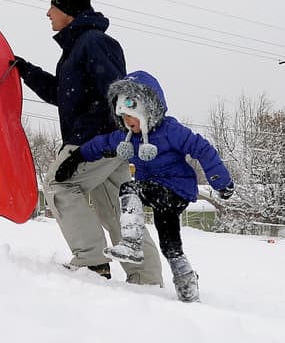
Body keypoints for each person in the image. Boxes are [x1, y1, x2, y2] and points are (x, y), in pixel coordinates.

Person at [12, 0, 163, 286]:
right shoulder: (79, 46)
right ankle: (146, 279)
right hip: (107, 141)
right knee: (117, 207)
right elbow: (64, 94)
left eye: (52, 7)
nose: (48, 13)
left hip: (95, 140)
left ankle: (92, 262)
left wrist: (95, 146)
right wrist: (26, 71)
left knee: (60, 185)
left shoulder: (94, 42)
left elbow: (113, 92)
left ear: (67, 11)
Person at [61, 71, 232, 302]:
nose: (129, 125)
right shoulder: (128, 138)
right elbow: (101, 144)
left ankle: (132, 243)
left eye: (133, 119)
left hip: (176, 188)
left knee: (128, 189)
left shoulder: (171, 130)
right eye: (124, 120)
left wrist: (221, 181)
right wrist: (75, 158)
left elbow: (201, 148)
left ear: (148, 110)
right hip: (156, 190)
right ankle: (187, 286)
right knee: (169, 244)